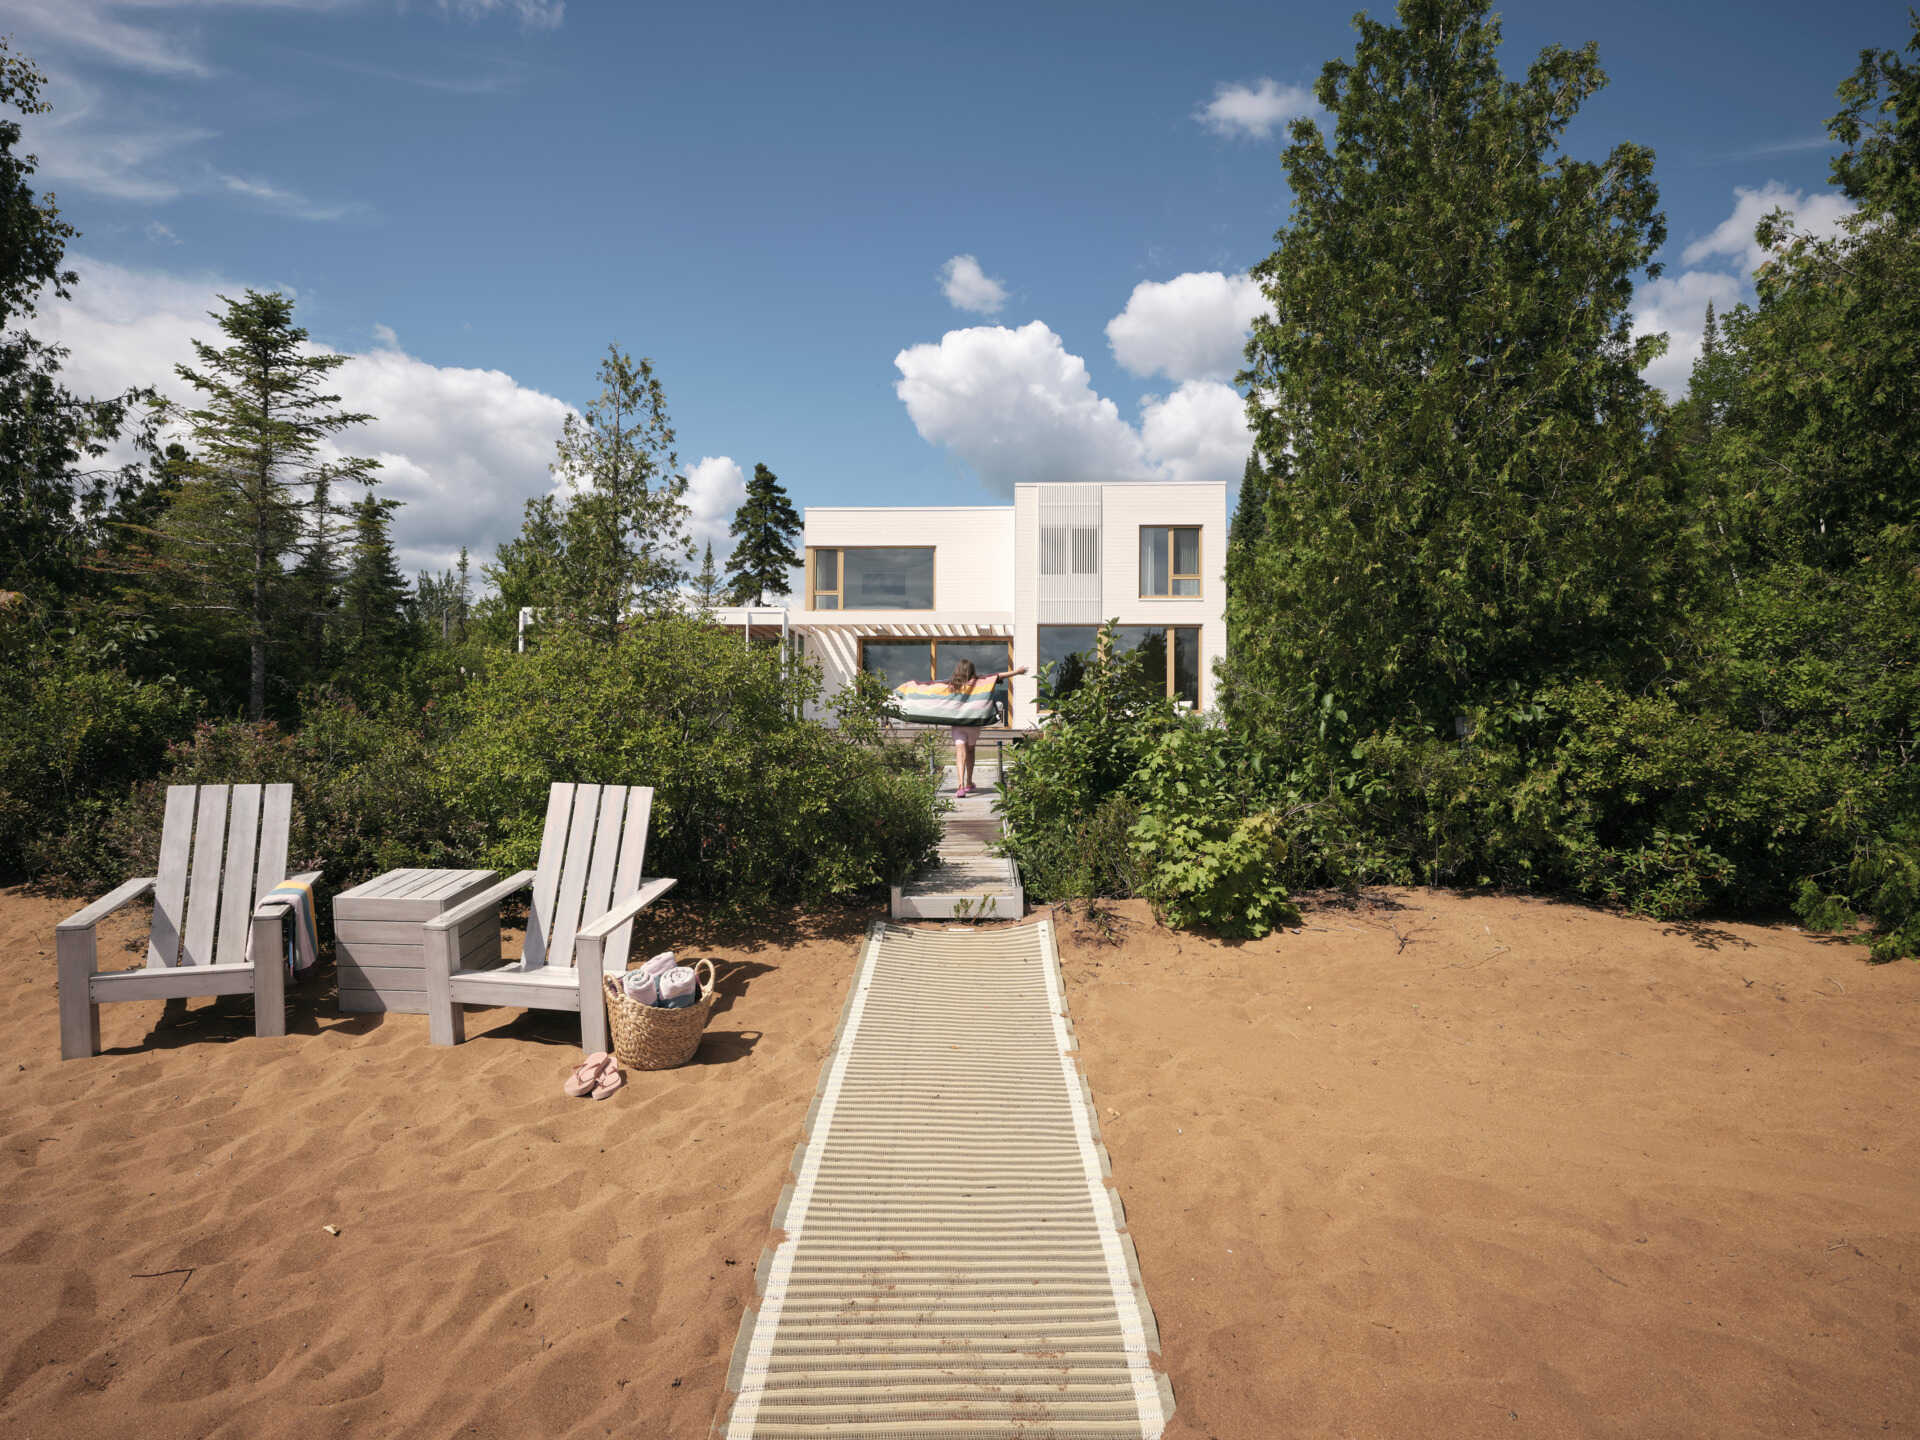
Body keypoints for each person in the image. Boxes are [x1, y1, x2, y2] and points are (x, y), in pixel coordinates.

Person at [947, 657, 1026, 797]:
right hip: (973, 724)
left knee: (960, 753)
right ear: (972, 671)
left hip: (958, 724)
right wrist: (1017, 672)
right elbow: (998, 676)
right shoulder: (980, 682)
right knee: (970, 751)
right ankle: (969, 783)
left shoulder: (951, 685)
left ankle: (960, 787)